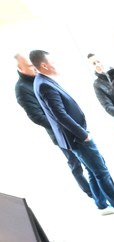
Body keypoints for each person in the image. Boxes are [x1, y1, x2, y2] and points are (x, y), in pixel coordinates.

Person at [29, 49, 114, 217]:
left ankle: (102, 205)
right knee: (101, 171)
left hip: (73, 137)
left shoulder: (42, 81)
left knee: (93, 171)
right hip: (77, 138)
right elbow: (60, 115)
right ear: (44, 65)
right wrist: (83, 135)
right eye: (52, 62)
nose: (55, 64)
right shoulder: (44, 84)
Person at [13, 53, 94, 201]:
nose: (35, 68)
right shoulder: (21, 88)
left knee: (93, 160)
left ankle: (108, 189)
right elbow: (36, 117)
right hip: (61, 133)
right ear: (20, 67)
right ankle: (92, 194)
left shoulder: (41, 78)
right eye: (30, 66)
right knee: (76, 163)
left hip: (73, 126)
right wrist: (62, 124)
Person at [86, 53, 114, 129]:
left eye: (98, 61)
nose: (97, 65)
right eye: (94, 64)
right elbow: (108, 107)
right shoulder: (97, 84)